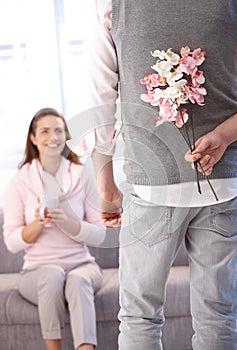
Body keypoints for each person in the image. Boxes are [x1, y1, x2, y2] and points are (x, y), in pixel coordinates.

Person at [71, 1, 237, 350]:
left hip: (150, 186)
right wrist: (222, 136)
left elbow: (99, 94)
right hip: (222, 183)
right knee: (218, 315)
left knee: (140, 317)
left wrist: (105, 184)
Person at [3, 107, 106, 350]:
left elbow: (101, 234)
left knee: (78, 280)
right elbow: (11, 242)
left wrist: (72, 226)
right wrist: (37, 225)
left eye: (59, 130)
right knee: (52, 274)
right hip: (36, 271)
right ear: (33, 138)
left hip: (82, 265)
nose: (53, 137)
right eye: (45, 131)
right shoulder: (19, 181)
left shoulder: (83, 175)